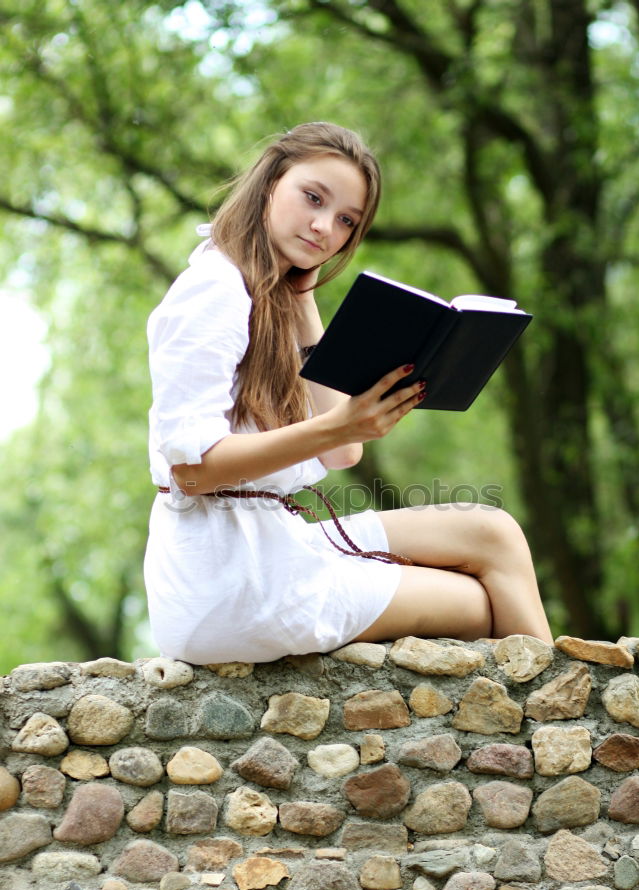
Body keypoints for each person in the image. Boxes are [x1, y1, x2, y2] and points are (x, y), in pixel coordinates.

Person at [144, 122, 552, 665]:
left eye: (345, 221)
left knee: (491, 532)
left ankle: (559, 724)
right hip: (231, 579)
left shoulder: (271, 297)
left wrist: (304, 297)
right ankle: (562, 728)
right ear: (270, 183)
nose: (323, 228)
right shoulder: (215, 290)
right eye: (312, 198)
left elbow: (342, 453)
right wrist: (342, 424)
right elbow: (191, 473)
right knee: (481, 602)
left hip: (274, 544)